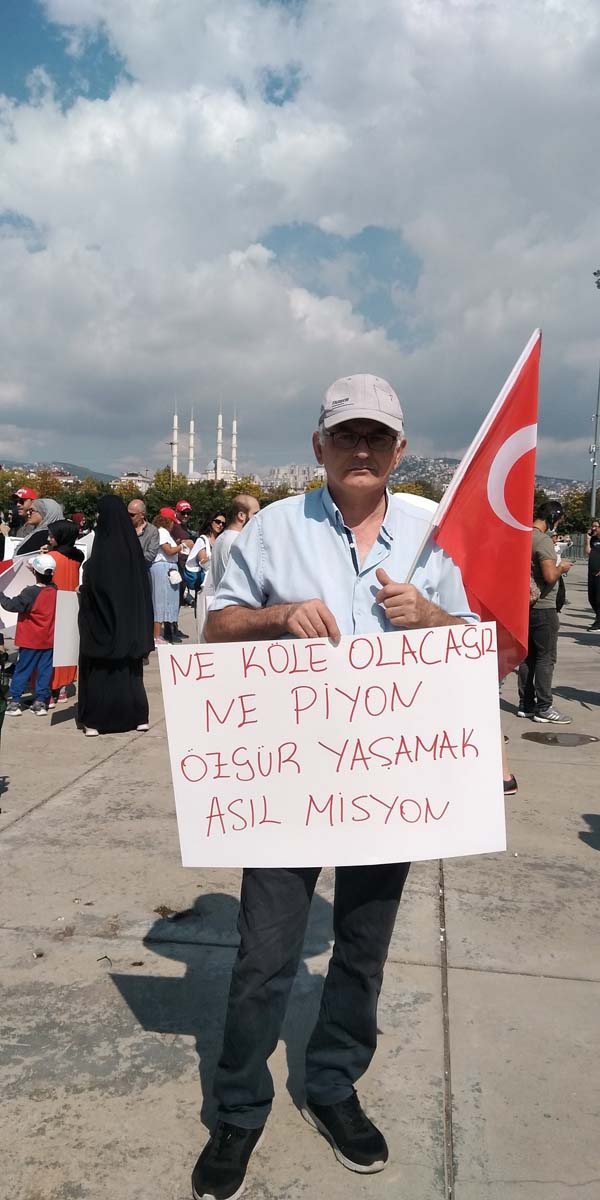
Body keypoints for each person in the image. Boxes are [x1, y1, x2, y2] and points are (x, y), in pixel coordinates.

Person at [194, 374, 476, 1200]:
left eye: (377, 438)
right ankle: (239, 1111)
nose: (362, 450)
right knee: (263, 960)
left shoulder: (433, 530)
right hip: (289, 788)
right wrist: (278, 617)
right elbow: (214, 627)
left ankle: (333, 1086)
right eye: (346, 436)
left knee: (360, 954)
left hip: (388, 788)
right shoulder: (274, 530)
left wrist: (434, 619)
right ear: (318, 445)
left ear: (398, 448)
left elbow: (477, 641)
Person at [77, 495, 153, 737]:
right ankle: (138, 717)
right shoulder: (134, 552)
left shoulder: (101, 552)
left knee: (102, 673)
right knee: (131, 674)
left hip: (104, 628)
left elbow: (93, 587)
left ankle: (97, 721)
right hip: (131, 627)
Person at [517, 500, 572, 723]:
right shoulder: (542, 541)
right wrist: (563, 567)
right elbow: (550, 576)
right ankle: (545, 707)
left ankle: (526, 703)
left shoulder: (523, 536)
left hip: (525, 607)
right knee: (545, 658)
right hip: (543, 607)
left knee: (527, 657)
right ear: (552, 519)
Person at [0, 553, 57, 716]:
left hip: (30, 640)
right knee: (45, 671)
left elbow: (11, 605)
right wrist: (36, 569)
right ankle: (40, 702)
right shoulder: (54, 589)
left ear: (35, 572)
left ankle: (15, 702)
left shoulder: (29, 592)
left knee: (23, 670)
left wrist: (1, 594)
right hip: (48, 639)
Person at [196, 496, 260, 639]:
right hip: (238, 614)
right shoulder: (239, 541)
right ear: (241, 515)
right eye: (255, 514)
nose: (258, 519)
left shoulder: (221, 538)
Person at [45, 520, 85, 707]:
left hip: (53, 603)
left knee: (51, 648)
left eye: (52, 535)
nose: (49, 538)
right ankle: (63, 687)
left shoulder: (51, 557)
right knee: (67, 646)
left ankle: (50, 690)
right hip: (71, 603)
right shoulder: (78, 557)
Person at [149, 508, 182, 644]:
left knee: (163, 600)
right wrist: (182, 546)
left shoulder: (162, 533)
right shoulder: (162, 532)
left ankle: (158, 634)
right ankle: (156, 636)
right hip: (163, 567)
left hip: (166, 567)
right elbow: (168, 551)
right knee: (160, 601)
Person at [184, 512, 226, 611]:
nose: (220, 525)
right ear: (211, 522)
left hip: (217, 585)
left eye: (223, 523)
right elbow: (203, 562)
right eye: (218, 522)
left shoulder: (221, 540)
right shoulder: (202, 540)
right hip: (205, 585)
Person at [127, 499, 160, 565]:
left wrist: (130, 556)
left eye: (132, 515)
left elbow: (151, 555)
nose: (128, 517)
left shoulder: (152, 531)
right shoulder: (123, 527)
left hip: (141, 570)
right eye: (126, 513)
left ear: (142, 515)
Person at [585, 518, 600, 630]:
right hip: (592, 572)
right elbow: (587, 552)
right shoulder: (593, 539)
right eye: (593, 526)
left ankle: (598, 621)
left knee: (599, 599)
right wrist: (587, 539)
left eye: (596, 526)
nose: (593, 528)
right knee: (592, 598)